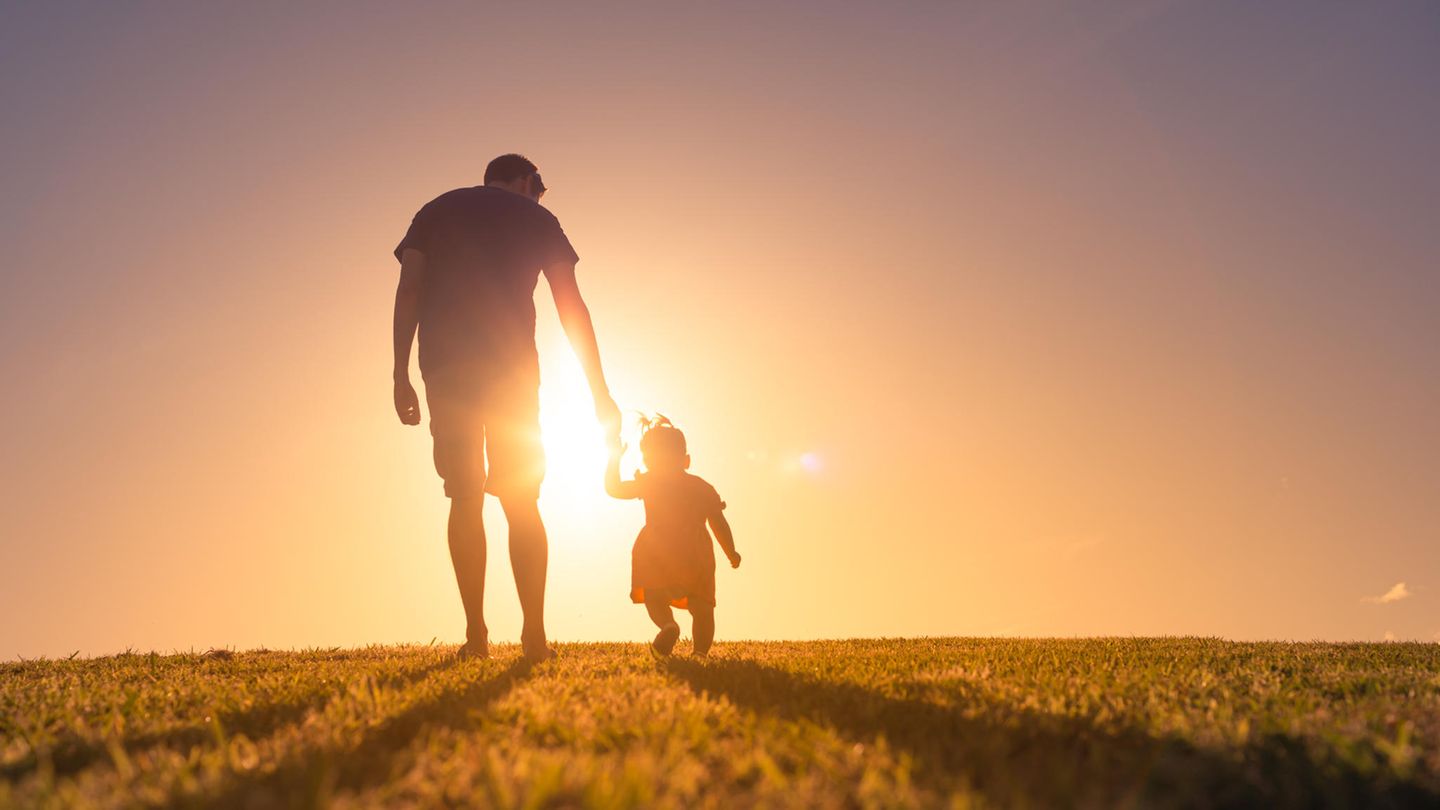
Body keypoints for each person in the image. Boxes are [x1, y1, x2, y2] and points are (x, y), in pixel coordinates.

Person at [392, 153, 620, 663]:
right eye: (538, 189)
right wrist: (598, 390)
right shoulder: (538, 219)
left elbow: (408, 290)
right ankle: (534, 636)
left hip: (446, 371)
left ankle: (476, 636)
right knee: (522, 501)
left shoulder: (435, 210)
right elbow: (570, 307)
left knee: (463, 497)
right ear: (525, 182)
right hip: (511, 372)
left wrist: (399, 372)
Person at [605, 415, 740, 658]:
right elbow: (718, 522)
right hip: (696, 555)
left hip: (657, 550)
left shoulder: (649, 483)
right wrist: (731, 551)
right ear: (686, 460)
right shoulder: (702, 487)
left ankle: (668, 625)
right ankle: (699, 653)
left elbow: (613, 488)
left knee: (655, 596)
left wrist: (614, 457)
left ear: (647, 462)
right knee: (703, 607)